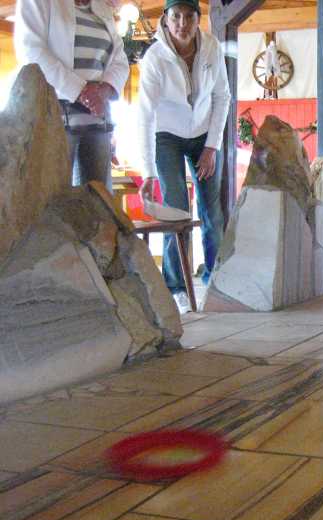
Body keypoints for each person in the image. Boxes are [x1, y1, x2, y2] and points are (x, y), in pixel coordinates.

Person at [137, 0, 231, 313]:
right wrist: (148, 171)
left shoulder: (212, 48)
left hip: (203, 133)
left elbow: (222, 97)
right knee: (176, 210)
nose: (182, 24)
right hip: (167, 135)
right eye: (176, 16)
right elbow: (145, 115)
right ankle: (177, 287)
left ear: (197, 19)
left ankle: (216, 280)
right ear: (165, 19)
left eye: (189, 16)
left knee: (212, 211)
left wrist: (212, 147)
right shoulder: (154, 58)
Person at [14, 0, 129, 191]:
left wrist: (104, 90)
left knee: (99, 198)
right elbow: (31, 51)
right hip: (54, 116)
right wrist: (81, 90)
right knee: (52, 194)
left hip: (97, 117)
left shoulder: (102, 8)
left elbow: (120, 60)